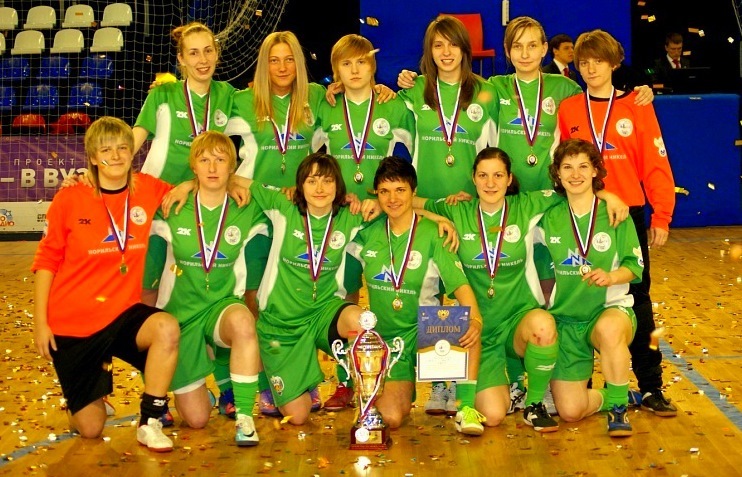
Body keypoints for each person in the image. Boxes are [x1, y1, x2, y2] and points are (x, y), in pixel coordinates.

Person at [413, 147, 627, 433]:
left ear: (509, 178)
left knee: (543, 325)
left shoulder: (527, 205)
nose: (491, 183)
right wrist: (435, 217)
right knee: (492, 415)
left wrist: (608, 195)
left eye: (498, 175)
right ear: (473, 179)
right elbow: (405, 201)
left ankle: (534, 404)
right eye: (483, 176)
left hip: (518, 321)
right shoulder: (456, 209)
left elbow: (575, 187)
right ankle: (503, 388)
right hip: (480, 329)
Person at [31, 117, 180, 452]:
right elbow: (46, 262)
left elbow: (194, 190)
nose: (116, 155)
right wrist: (41, 323)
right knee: (91, 428)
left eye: (123, 147)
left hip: (122, 312)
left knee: (166, 328)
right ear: (93, 157)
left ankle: (150, 421)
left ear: (132, 152)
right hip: (74, 323)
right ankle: (82, 400)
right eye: (106, 150)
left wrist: (186, 187)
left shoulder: (148, 189)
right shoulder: (70, 198)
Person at [557, 29, 677, 417]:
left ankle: (651, 385)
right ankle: (584, 384)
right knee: (580, 294)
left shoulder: (637, 105)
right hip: (582, 216)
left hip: (629, 217)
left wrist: (662, 215)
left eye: (598, 61)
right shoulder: (569, 108)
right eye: (583, 62)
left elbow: (655, 164)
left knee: (639, 301)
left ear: (613, 63)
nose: (591, 68)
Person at [231, 152, 380, 424]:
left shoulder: (349, 216)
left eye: (327, 181)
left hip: (323, 313)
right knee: (298, 416)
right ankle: (283, 381)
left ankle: (360, 397)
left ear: (338, 186)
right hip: (282, 323)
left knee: (360, 322)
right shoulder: (282, 206)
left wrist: (378, 203)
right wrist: (190, 184)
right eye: (312, 181)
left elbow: (400, 210)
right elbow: (234, 180)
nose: (320, 188)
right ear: (300, 185)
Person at [143, 131, 268, 446]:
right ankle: (198, 383)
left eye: (221, 160)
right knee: (197, 419)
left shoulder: (247, 206)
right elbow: (124, 194)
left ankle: (245, 418)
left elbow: (289, 199)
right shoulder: (171, 204)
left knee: (244, 322)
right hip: (180, 319)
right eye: (204, 159)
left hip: (219, 308)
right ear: (193, 166)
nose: (212, 167)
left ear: (232, 167)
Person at [347, 156, 485, 435]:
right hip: (387, 340)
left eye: (400, 190)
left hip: (426, 330)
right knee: (390, 417)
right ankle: (401, 385)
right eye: (384, 191)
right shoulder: (366, 232)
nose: (392, 198)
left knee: (468, 322)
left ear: (413, 191)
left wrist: (476, 321)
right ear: (376, 194)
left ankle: (466, 407)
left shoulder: (435, 234)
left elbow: (461, 288)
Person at [538, 138, 643, 437]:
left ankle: (618, 408)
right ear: (557, 174)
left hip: (608, 310)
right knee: (571, 411)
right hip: (566, 319)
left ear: (596, 170)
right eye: (567, 167)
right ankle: (613, 395)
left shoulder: (615, 213)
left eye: (583, 166)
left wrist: (611, 276)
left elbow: (635, 267)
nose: (576, 174)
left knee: (609, 330)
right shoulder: (547, 216)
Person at [396, 15, 498, 199]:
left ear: (464, 48)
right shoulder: (415, 89)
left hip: (468, 201)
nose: (446, 52)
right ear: (430, 50)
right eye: (438, 45)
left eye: (453, 44)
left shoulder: (486, 92)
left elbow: (500, 151)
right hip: (424, 201)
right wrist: (378, 89)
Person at [133, 22, 235, 185]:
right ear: (181, 58)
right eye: (194, 53)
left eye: (208, 51)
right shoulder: (163, 93)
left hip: (201, 193)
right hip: (158, 191)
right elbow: (131, 144)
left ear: (216, 53)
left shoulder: (228, 95)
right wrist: (99, 173)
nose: (203, 60)